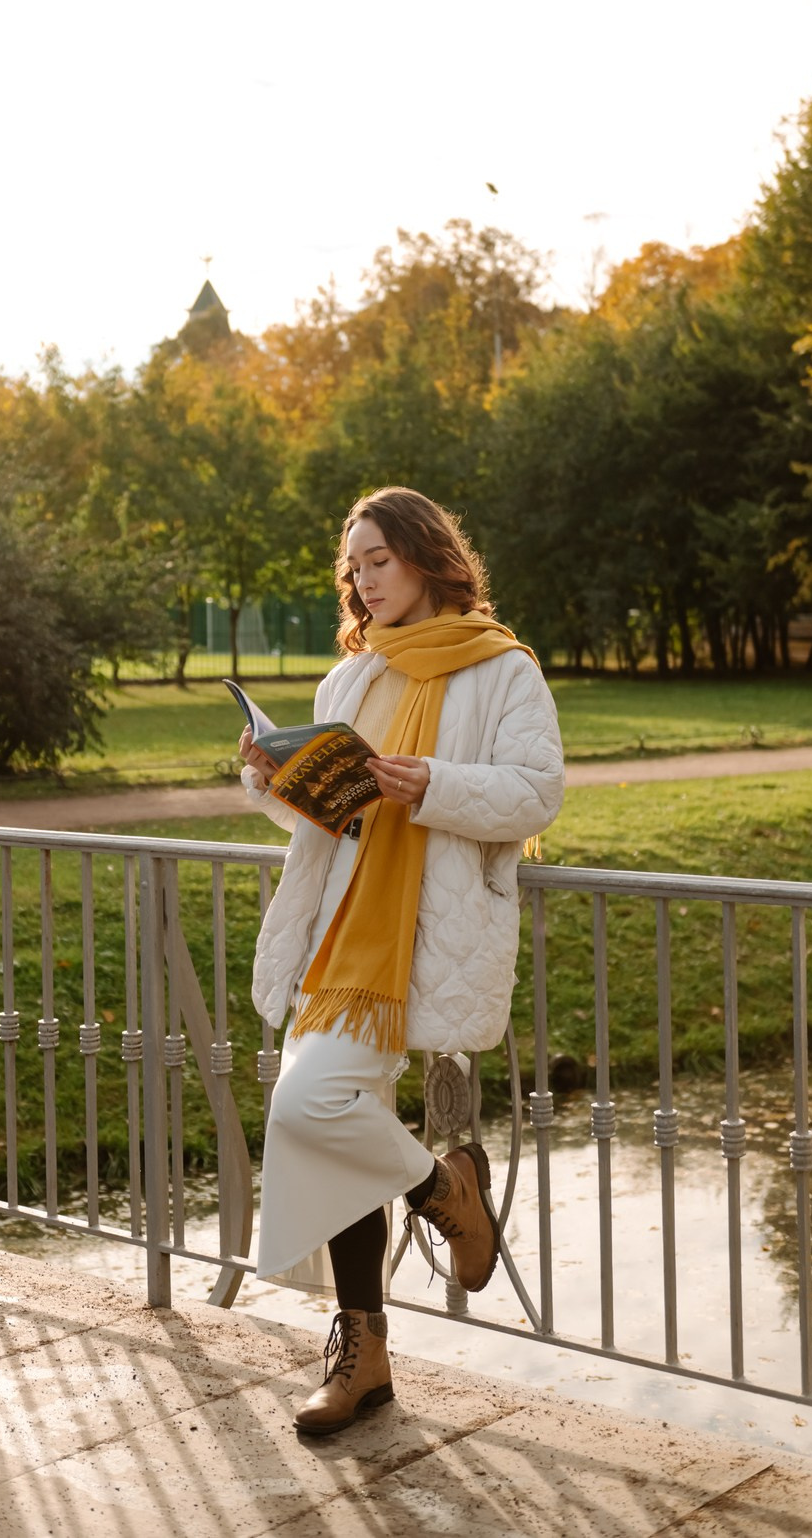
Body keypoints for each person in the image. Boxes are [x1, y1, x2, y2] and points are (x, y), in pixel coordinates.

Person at [239, 486, 565, 1437]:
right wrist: (273, 779)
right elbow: (328, 818)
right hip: (343, 931)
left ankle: (437, 1206)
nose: (365, 579)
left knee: (310, 1110)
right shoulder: (350, 681)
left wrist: (435, 784)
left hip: (432, 928)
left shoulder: (503, 669)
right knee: (318, 1122)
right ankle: (372, 1335)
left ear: (425, 556)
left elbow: (536, 792)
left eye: (379, 559)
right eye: (355, 566)